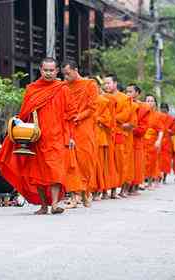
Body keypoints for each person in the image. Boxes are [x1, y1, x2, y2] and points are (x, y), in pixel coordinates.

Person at [0, 57, 81, 215]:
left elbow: (71, 115)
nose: (48, 73)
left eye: (52, 70)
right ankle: (43, 205)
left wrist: (70, 136)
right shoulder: (32, 89)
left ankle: (55, 204)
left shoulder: (63, 89)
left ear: (57, 71)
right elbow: (24, 113)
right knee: (37, 173)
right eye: (45, 70)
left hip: (57, 137)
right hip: (36, 137)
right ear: (41, 70)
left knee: (56, 171)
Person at [62, 61, 98, 207]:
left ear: (75, 70)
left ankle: (86, 192)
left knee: (84, 160)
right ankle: (75, 195)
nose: (65, 76)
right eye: (64, 74)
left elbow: (92, 107)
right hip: (70, 127)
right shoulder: (64, 86)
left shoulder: (89, 85)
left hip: (84, 127)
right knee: (71, 161)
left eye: (68, 73)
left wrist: (80, 116)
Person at [104, 74, 133, 199]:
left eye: (108, 83)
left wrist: (109, 119)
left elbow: (125, 115)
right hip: (105, 133)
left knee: (118, 162)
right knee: (105, 162)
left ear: (115, 83)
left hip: (118, 133)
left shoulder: (125, 98)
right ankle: (104, 190)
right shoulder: (102, 97)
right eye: (104, 84)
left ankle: (115, 190)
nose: (106, 86)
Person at [126, 84, 150, 195]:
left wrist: (131, 128)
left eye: (130, 92)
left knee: (136, 164)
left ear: (137, 93)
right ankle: (125, 187)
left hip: (136, 139)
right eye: (127, 91)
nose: (128, 94)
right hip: (125, 138)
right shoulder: (124, 103)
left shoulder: (144, 108)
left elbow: (143, 128)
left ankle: (134, 187)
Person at [143, 95, 164, 189]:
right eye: (147, 101)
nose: (149, 103)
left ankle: (150, 182)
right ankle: (142, 181)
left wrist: (159, 140)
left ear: (155, 103)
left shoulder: (158, 115)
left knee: (152, 162)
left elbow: (161, 130)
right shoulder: (142, 113)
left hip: (152, 141)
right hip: (142, 140)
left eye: (151, 101)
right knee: (143, 161)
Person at [159, 103, 175, 184]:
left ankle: (164, 177)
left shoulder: (172, 119)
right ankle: (158, 177)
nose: (163, 110)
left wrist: (168, 130)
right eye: (162, 108)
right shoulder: (158, 116)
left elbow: (174, 131)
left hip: (167, 142)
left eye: (165, 108)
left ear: (167, 109)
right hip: (159, 140)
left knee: (166, 161)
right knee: (158, 160)